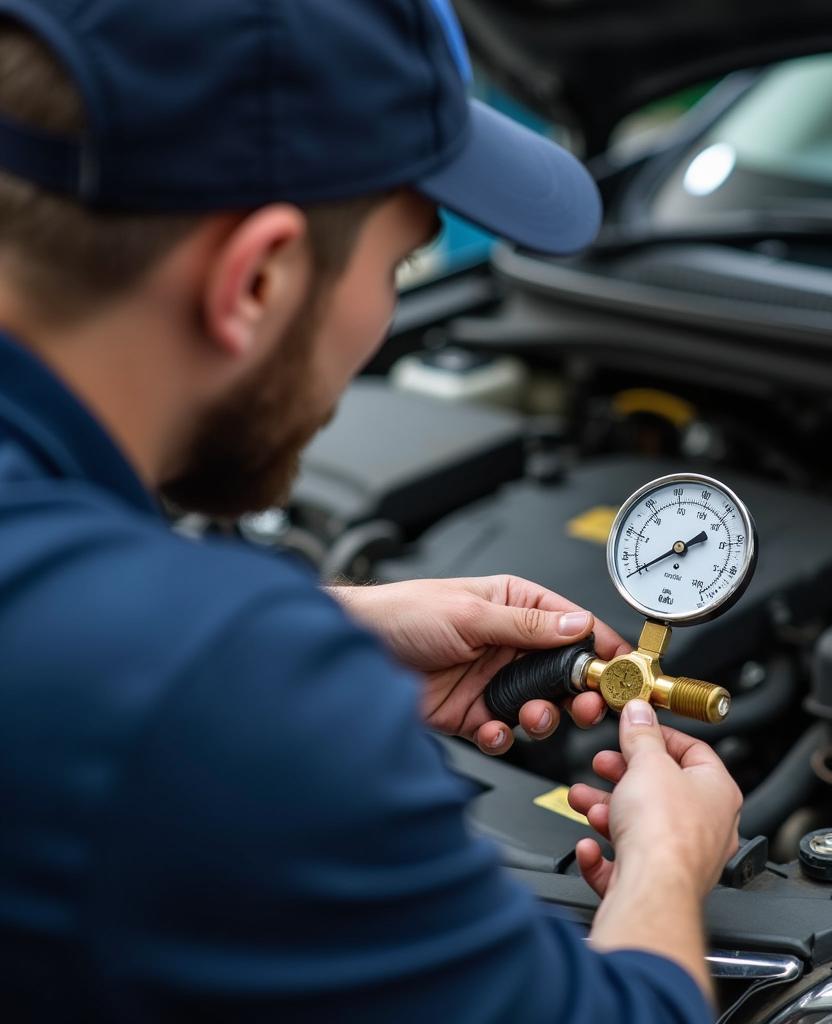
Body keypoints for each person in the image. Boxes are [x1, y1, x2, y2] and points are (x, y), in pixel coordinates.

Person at [0, 0, 742, 1020]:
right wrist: (668, 861)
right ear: (255, 277)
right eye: (399, 267)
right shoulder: (192, 686)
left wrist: (323, 631)